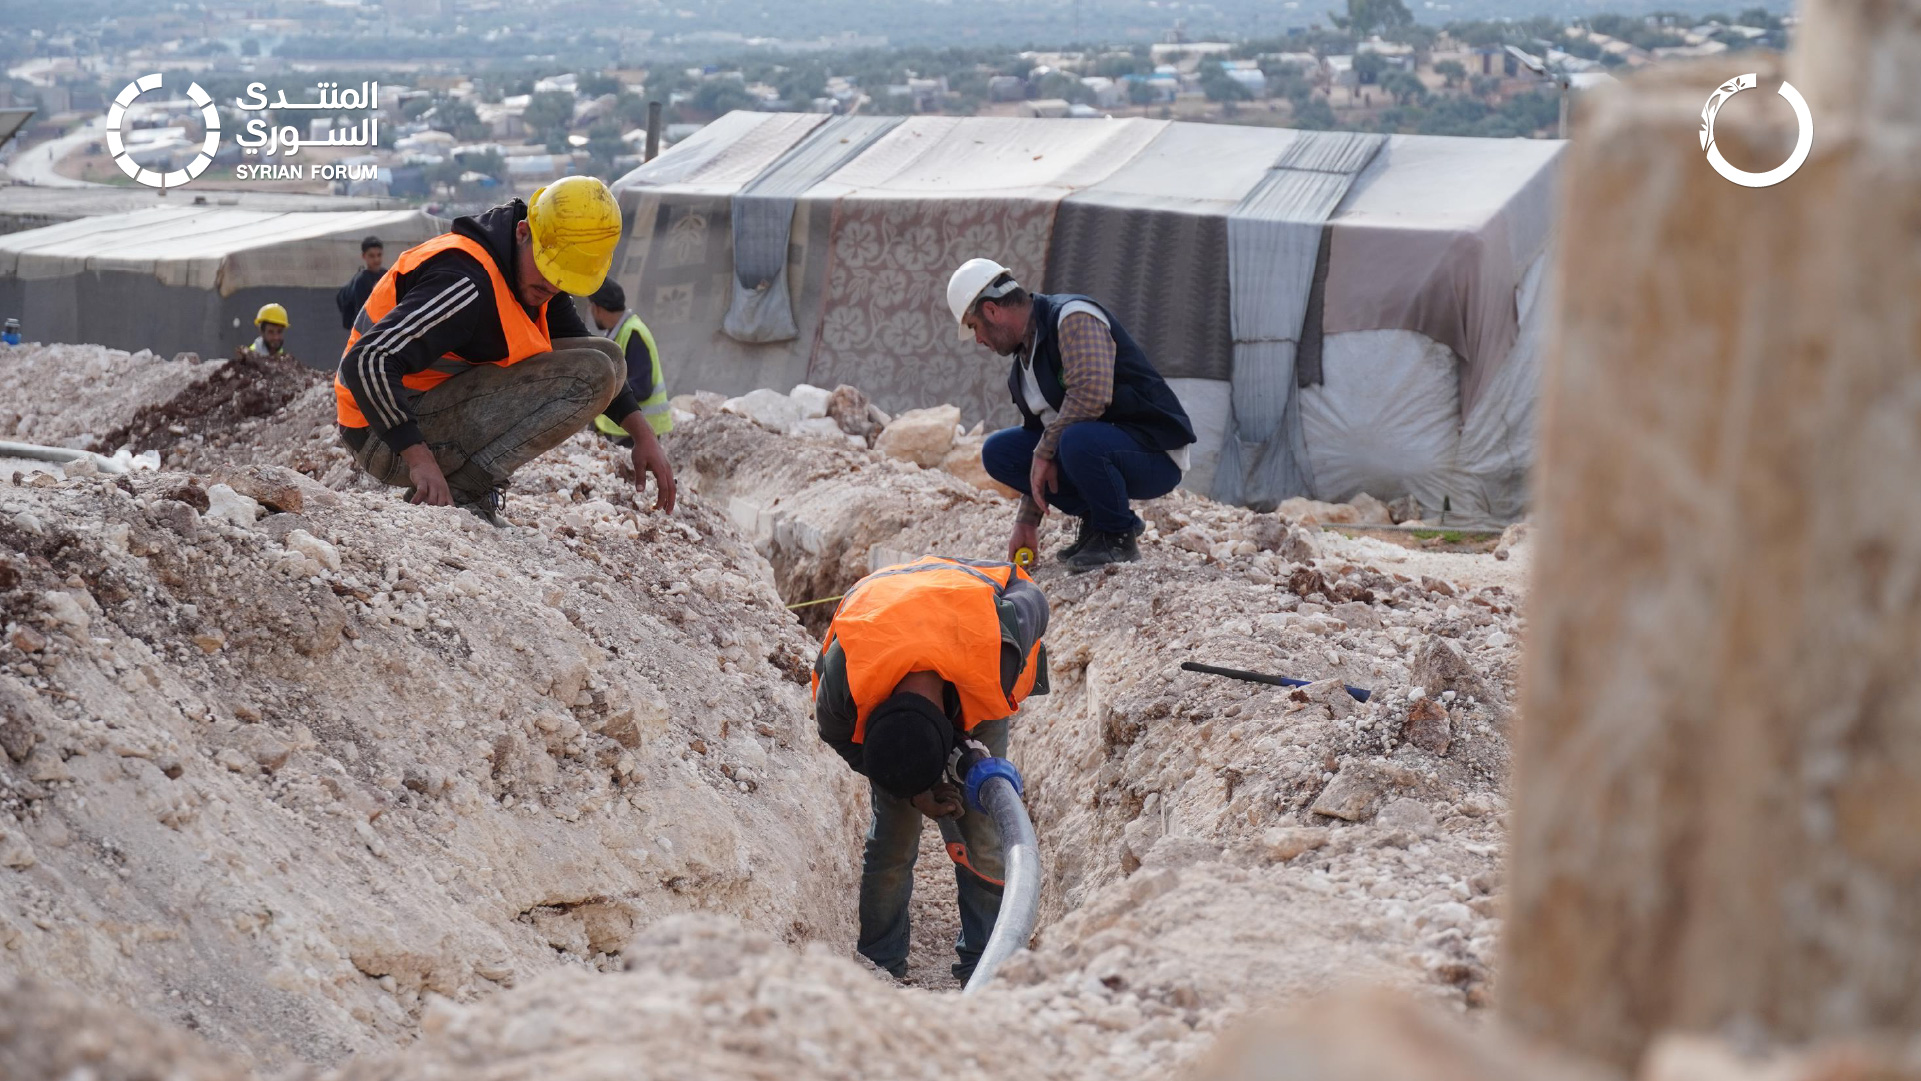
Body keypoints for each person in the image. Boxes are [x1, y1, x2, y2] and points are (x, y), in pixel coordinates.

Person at [333, 176, 676, 526]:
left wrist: (643, 436)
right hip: (380, 434)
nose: (553, 286)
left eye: (564, 278)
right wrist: (420, 461)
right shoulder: (466, 281)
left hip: (422, 409)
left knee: (609, 360)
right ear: (523, 232)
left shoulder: (535, 279)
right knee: (595, 372)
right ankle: (465, 492)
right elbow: (367, 360)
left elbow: (595, 357)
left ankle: (465, 486)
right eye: (548, 269)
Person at [813, 555, 1051, 983]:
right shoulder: (843, 686)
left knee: (983, 827)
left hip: (966, 626)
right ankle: (878, 966)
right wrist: (911, 791)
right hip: (884, 612)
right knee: (894, 834)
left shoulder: (999, 654)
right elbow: (841, 740)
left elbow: (1031, 593)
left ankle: (986, 965)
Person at [949, 258, 1197, 572]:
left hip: (1153, 452)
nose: (979, 340)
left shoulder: (1072, 318)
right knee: (1001, 452)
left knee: (1074, 439)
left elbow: (1091, 396)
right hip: (1096, 448)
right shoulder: (1024, 368)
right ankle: (1098, 520)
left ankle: (1118, 535)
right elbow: (1046, 438)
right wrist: (1027, 522)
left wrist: (1044, 450)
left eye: (974, 328)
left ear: (992, 311)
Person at [584, 280, 672, 442]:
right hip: (627, 430)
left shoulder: (633, 332)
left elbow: (641, 387)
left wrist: (601, 394)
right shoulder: (619, 332)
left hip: (636, 433)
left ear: (597, 308)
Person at [335, 235, 385, 330]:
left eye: (379, 255)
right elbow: (361, 315)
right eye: (372, 256)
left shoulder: (386, 275)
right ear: (364, 256)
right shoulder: (362, 280)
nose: (376, 260)